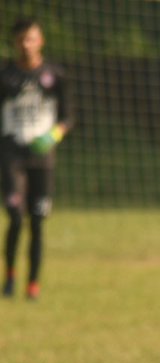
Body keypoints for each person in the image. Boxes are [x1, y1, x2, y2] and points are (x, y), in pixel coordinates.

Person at [1, 17, 71, 300]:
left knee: (38, 220)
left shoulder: (55, 75)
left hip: (42, 159)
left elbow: (68, 117)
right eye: (21, 40)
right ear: (14, 43)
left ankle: (33, 284)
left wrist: (53, 135)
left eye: (31, 39)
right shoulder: (5, 76)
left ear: (40, 40)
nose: (26, 45)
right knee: (16, 217)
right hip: (11, 156)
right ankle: (9, 276)